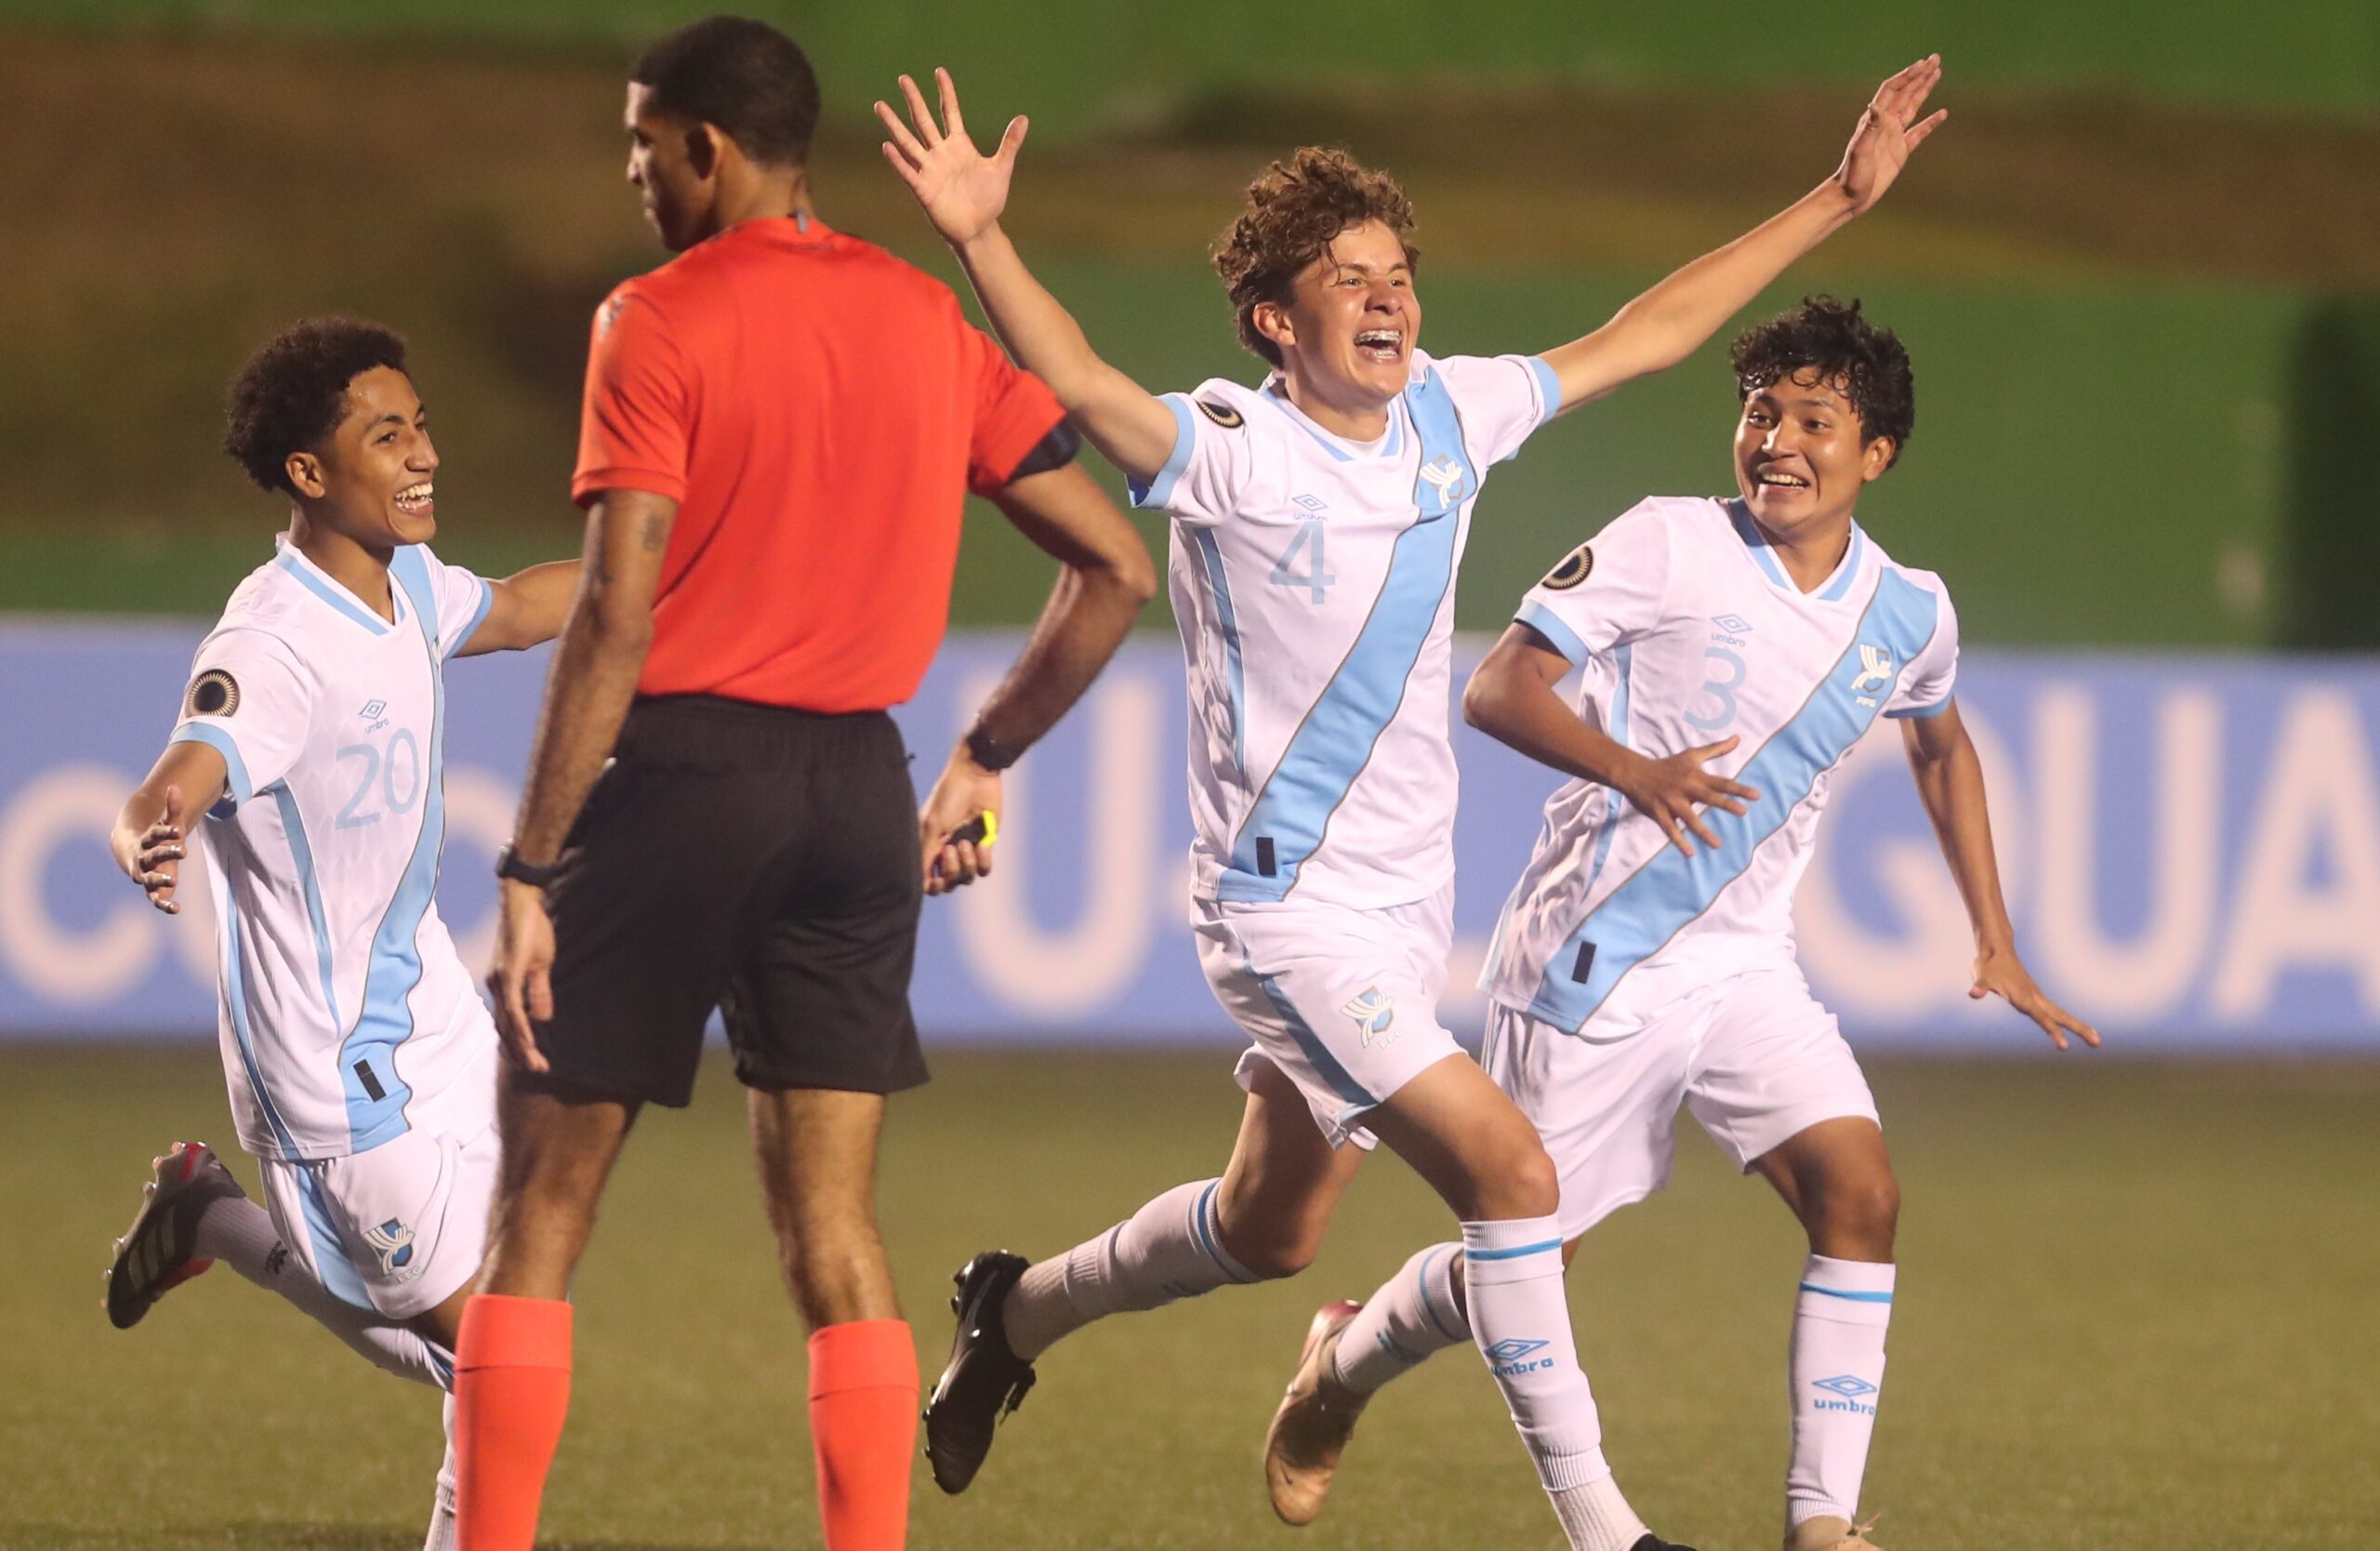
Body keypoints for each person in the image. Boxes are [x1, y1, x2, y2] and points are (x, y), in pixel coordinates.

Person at [877, 54, 1947, 1551]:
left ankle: (1014, 1312)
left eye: (1399, 273)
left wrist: (1839, 196)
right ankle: (1611, 1536)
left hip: (1401, 911)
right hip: (1281, 911)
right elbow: (1089, 388)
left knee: (1271, 1230)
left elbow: (1651, 332)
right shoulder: (1233, 452)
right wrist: (984, 239)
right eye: (1349, 280)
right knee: (1514, 1176)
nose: (1388, 302)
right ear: (1275, 321)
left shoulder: (1456, 413)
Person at [458, 18, 1155, 1551]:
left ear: (704, 148)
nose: (636, 176)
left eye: (644, 148)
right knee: (836, 1232)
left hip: (682, 778)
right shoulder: (924, 317)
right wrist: (983, 755)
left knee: (544, 1216)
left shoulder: (654, 316)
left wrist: (526, 868)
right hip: (854, 793)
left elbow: (613, 613)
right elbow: (1115, 567)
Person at [1269, 297, 2099, 1551]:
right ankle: (1340, 1367)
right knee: (1531, 1266)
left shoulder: (1908, 613)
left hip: (1745, 966)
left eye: (1813, 419)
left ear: (1875, 455)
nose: (1775, 439)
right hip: (1591, 961)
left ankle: (1820, 1525)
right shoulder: (1667, 543)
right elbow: (1499, 686)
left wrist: (1994, 935)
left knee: (1861, 1193)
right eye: (1760, 411)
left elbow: (1940, 742)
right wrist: (1633, 770)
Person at [101, 316, 581, 1551]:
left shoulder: (402, 581)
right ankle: (212, 1218)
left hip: (429, 1011)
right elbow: (186, 764)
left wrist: (665, 567)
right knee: (493, 1360)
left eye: (420, 422)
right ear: (309, 472)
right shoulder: (273, 639)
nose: (423, 452)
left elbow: (526, 608)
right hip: (328, 1070)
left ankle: (204, 1216)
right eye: (386, 434)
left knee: (509, 1336)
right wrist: (151, 825)